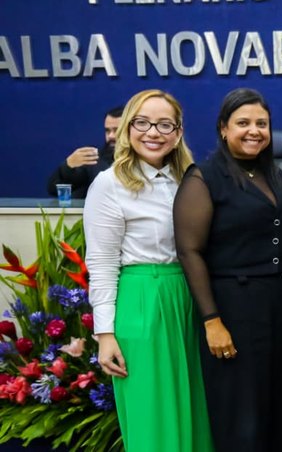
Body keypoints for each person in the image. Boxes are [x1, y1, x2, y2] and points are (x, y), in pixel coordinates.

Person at [85, 90, 212, 452]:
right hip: (142, 300)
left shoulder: (191, 179)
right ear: (127, 128)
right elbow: (102, 263)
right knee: (152, 414)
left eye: (164, 124)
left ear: (178, 132)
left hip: (189, 298)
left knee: (197, 409)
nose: (152, 132)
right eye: (142, 122)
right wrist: (105, 333)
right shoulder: (109, 184)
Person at [174, 88, 282, 451]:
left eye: (262, 123)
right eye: (243, 123)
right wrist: (212, 321)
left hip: (278, 306)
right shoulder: (204, 178)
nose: (254, 131)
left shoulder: (274, 174)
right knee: (241, 417)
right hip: (233, 309)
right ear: (223, 128)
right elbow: (189, 251)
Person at [47, 106, 122, 198]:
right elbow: (54, 189)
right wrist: (67, 167)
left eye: (116, 130)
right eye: (107, 131)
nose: (110, 136)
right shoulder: (93, 160)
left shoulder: (143, 159)